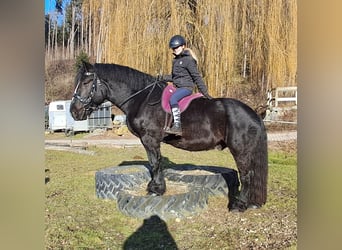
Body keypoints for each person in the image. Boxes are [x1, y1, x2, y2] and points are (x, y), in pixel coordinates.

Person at [164, 35, 212, 136]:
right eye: (173, 48)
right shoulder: (175, 61)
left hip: (186, 88)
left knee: (173, 99)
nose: (175, 49)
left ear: (183, 46)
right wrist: (161, 78)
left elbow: (196, 77)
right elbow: (174, 77)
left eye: (177, 47)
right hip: (177, 87)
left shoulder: (188, 60)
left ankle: (177, 126)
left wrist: (205, 92)